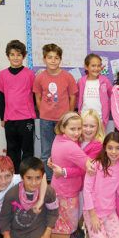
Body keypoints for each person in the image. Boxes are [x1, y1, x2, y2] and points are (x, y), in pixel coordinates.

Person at [0, 157, 58, 238]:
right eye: (29, 178)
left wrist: (46, 234)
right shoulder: (11, 194)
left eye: (38, 178)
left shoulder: (48, 192)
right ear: (21, 177)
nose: (34, 182)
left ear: (43, 177)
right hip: (16, 234)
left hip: (38, 232)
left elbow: (53, 212)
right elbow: (4, 218)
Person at [34, 43, 78, 181]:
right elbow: (38, 96)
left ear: (60, 60)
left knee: (65, 149)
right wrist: (44, 111)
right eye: (50, 57)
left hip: (63, 121)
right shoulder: (40, 77)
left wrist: (69, 115)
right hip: (46, 119)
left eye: (56, 58)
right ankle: (48, 179)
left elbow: (72, 96)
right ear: (44, 59)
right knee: (46, 151)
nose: (53, 60)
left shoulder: (67, 76)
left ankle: (63, 175)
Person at [82, 132, 119, 238]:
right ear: (105, 148)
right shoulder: (95, 165)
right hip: (93, 211)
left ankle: (102, 234)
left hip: (109, 211)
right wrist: (92, 216)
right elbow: (86, 190)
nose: (114, 152)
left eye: (118, 148)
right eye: (110, 148)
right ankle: (88, 232)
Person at [48, 112, 93, 234]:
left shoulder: (59, 138)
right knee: (69, 228)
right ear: (63, 128)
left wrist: (61, 169)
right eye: (72, 129)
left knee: (60, 218)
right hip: (67, 191)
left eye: (79, 128)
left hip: (59, 187)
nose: (77, 133)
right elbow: (89, 165)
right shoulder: (70, 146)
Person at [0, 39, 36, 172]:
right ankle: (14, 178)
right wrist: (2, 118)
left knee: (27, 150)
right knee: (12, 150)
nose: (15, 57)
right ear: (8, 56)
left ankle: (27, 176)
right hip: (10, 119)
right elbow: (1, 97)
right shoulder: (2, 75)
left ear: (24, 56)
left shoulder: (30, 74)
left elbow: (35, 95)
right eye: (12, 54)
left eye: (19, 55)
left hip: (26, 119)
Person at [77, 54, 112, 128]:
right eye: (93, 66)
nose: (96, 68)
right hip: (84, 119)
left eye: (99, 66)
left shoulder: (105, 81)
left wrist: (106, 114)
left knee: (99, 139)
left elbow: (111, 96)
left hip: (100, 120)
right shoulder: (81, 81)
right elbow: (78, 98)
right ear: (86, 67)